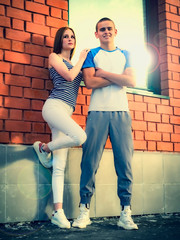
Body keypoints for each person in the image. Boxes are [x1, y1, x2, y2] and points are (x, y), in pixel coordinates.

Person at [72, 17, 138, 230]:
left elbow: (132, 81)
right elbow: (90, 82)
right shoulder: (92, 54)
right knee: (89, 162)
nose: (106, 31)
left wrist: (105, 73)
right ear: (96, 33)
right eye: (102, 29)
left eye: (109, 28)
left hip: (121, 113)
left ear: (115, 31)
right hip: (97, 113)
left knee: (124, 164)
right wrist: (120, 78)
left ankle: (126, 213)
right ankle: (84, 210)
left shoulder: (125, 54)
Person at [33, 27, 89, 229]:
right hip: (54, 107)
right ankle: (45, 148)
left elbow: (87, 80)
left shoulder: (75, 65)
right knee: (80, 136)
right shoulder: (54, 57)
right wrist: (82, 59)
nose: (70, 39)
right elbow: (68, 76)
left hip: (65, 113)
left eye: (73, 36)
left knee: (59, 167)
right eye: (66, 36)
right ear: (60, 40)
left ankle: (58, 212)